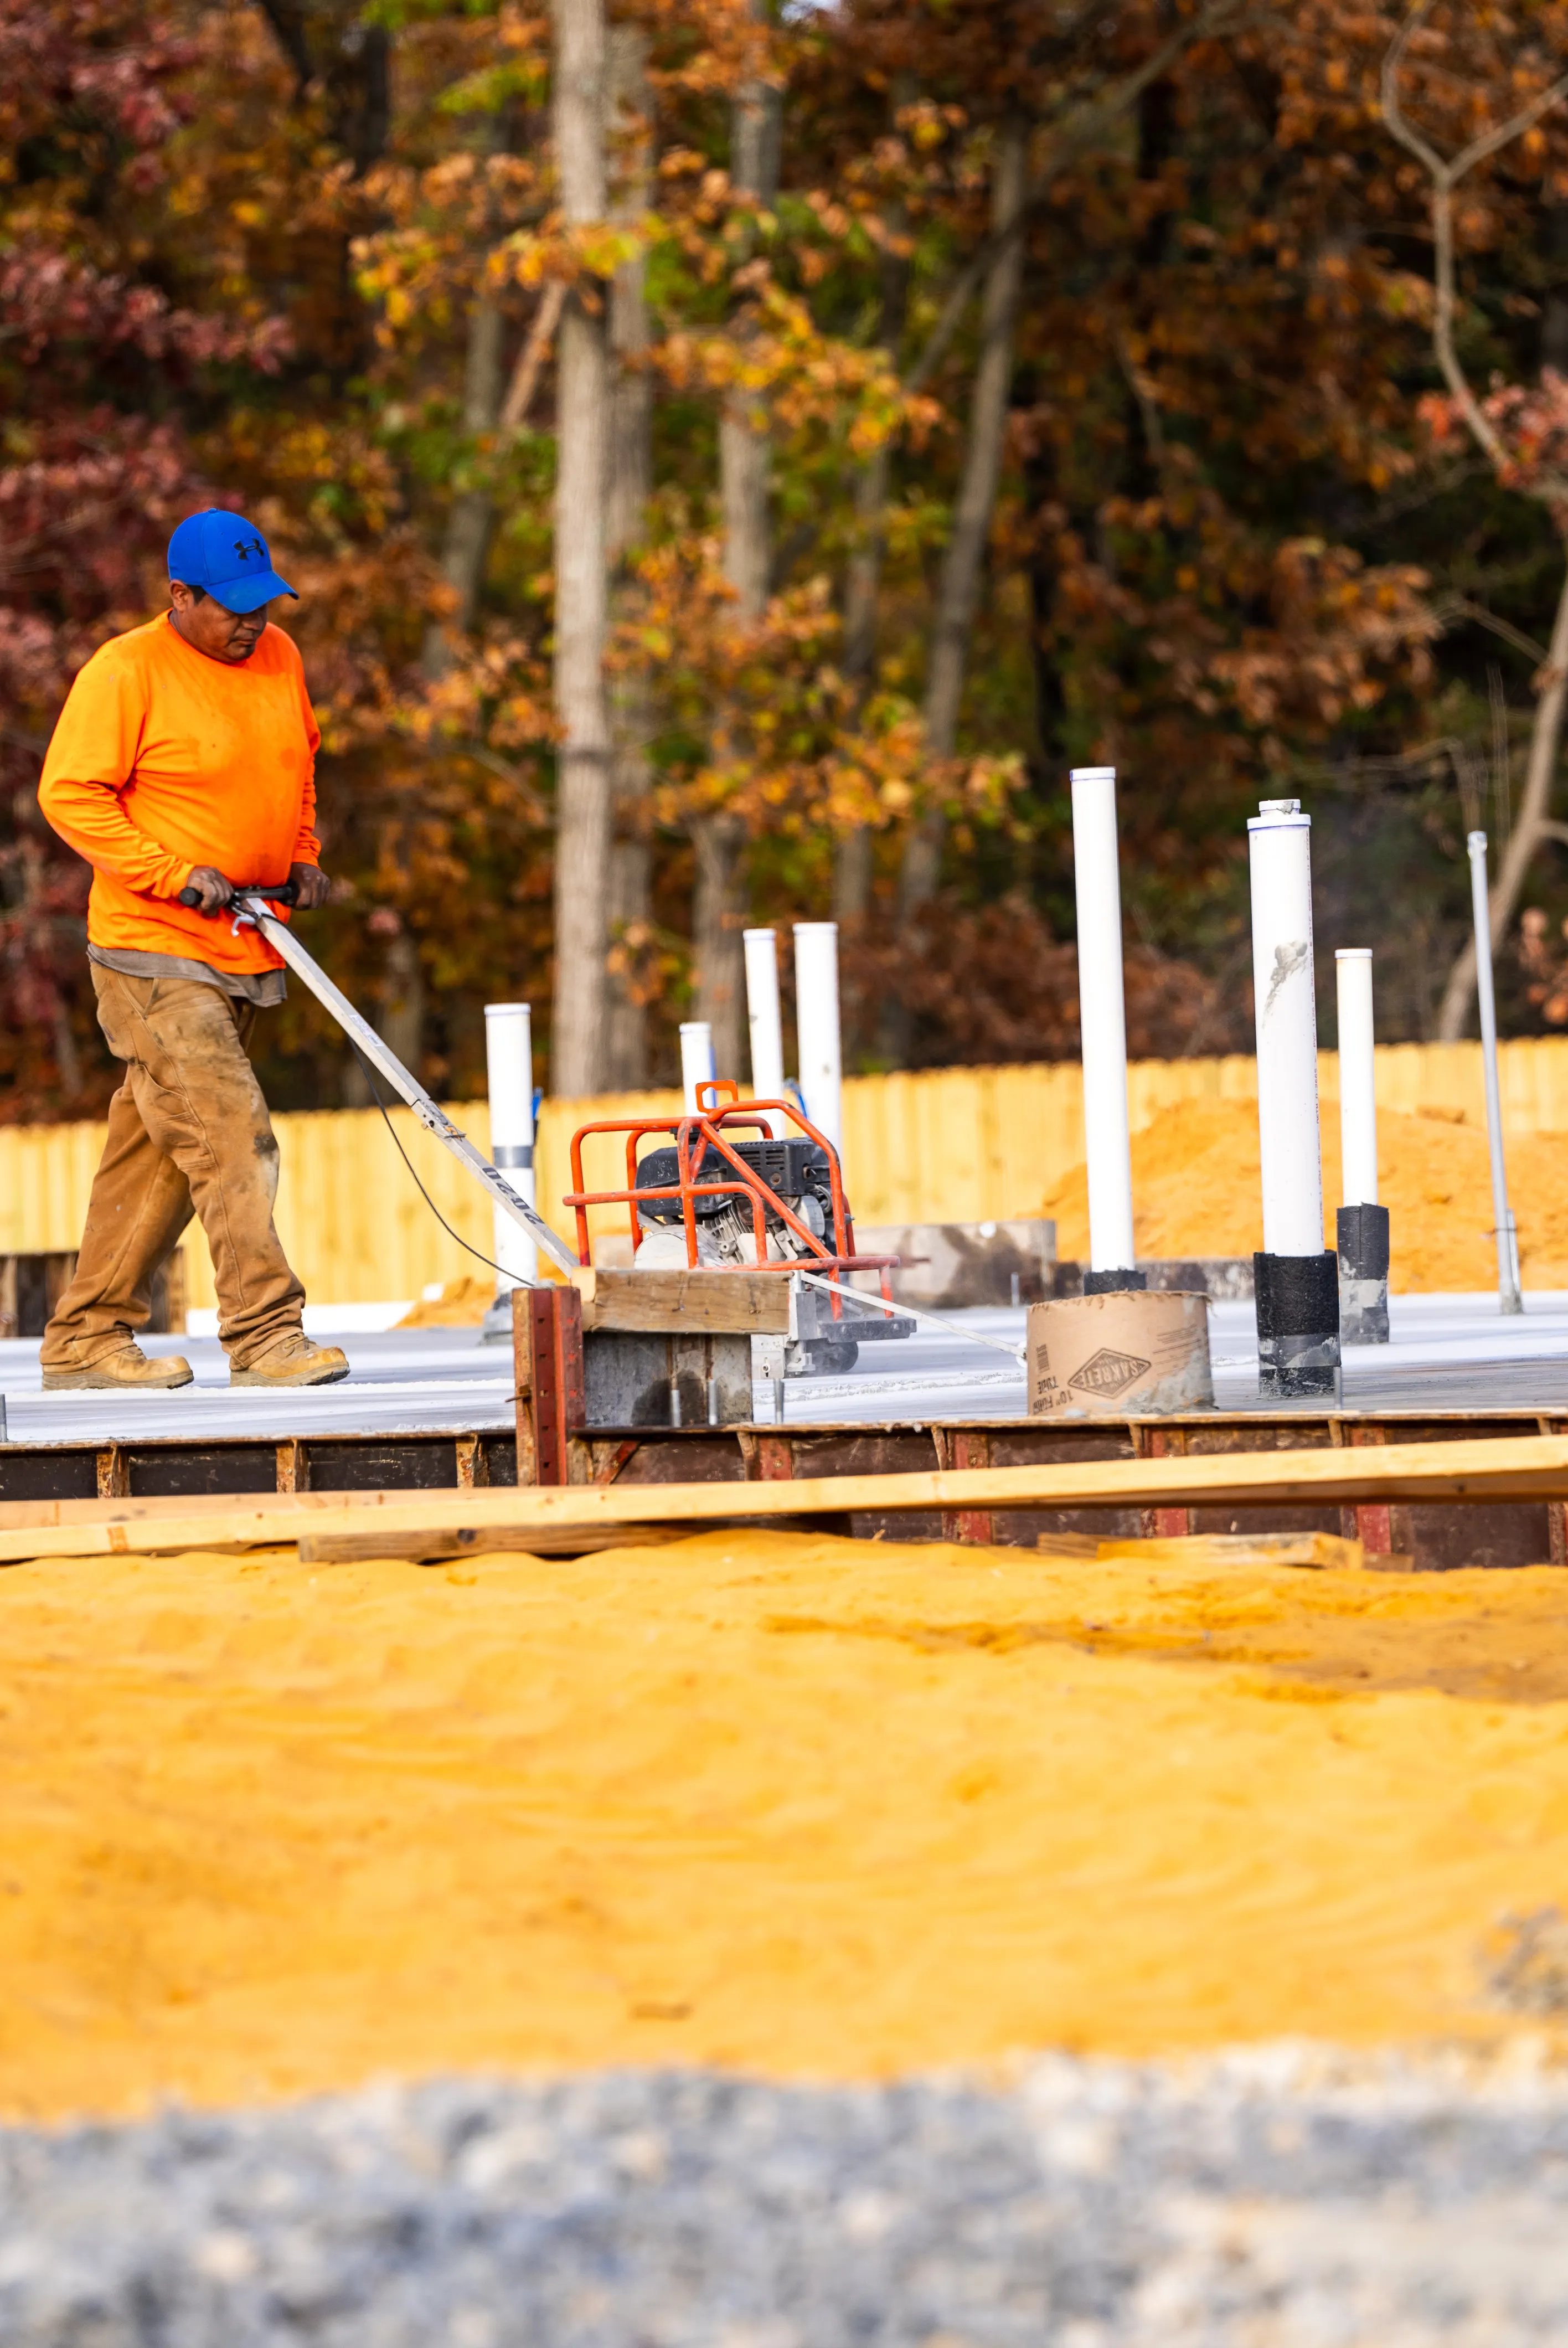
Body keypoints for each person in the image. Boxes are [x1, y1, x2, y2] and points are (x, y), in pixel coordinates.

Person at [35, 508, 349, 1391]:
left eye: (264, 602)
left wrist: (302, 856)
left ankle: (85, 1338)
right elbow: (71, 796)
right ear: (180, 596)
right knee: (228, 1133)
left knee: (165, 1152)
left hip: (245, 942)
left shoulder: (278, 656)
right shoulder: (126, 670)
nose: (253, 621)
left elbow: (300, 764)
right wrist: (173, 872)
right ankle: (264, 1332)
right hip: (151, 949)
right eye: (233, 607)